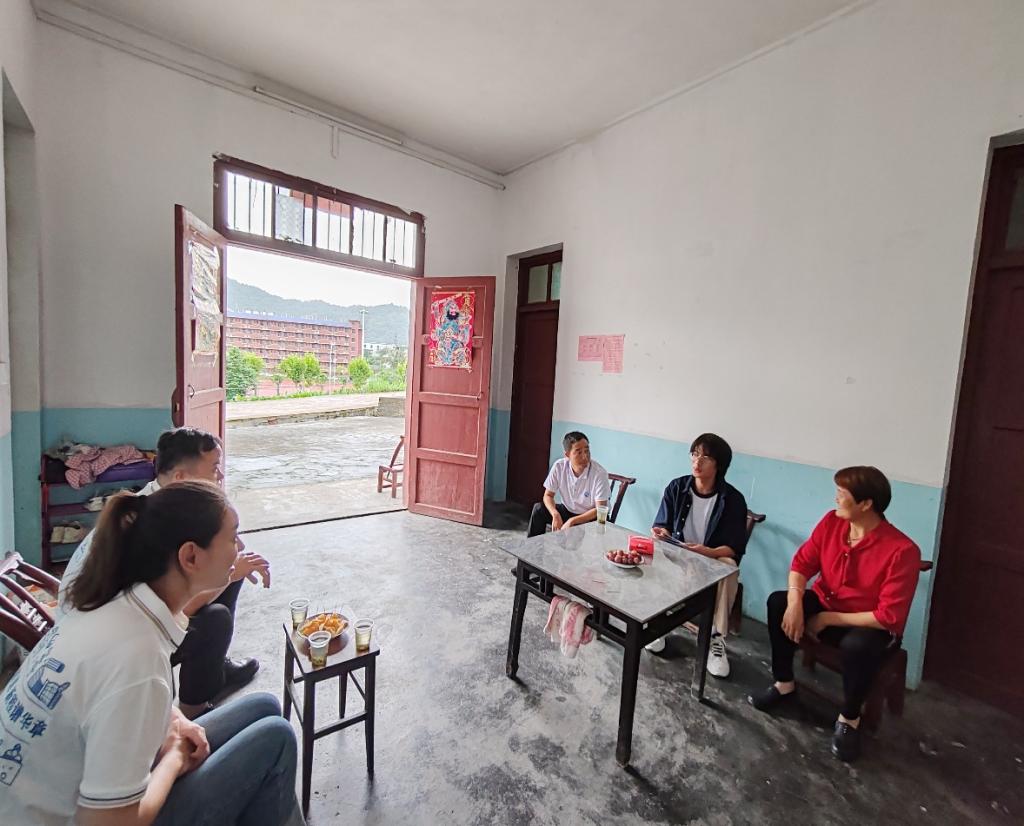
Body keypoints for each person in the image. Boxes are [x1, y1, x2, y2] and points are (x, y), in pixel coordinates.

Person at [0, 481, 300, 826]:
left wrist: (176, 721)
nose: (240, 548)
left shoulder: (112, 602)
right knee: (276, 739)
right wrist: (173, 759)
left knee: (264, 707)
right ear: (190, 556)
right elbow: (108, 822)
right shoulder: (137, 661)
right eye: (233, 538)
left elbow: (106, 701)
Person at [59, 427, 271, 718]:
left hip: (105, 626)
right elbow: (176, 610)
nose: (221, 476)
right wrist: (232, 570)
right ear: (181, 478)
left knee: (229, 570)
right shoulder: (151, 530)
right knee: (215, 615)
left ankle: (214, 666)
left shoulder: (161, 502)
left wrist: (229, 545)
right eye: (214, 469)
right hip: (109, 649)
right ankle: (194, 708)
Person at [749, 466, 921, 762]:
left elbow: (888, 616)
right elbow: (802, 564)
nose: (835, 499)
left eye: (842, 494)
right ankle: (784, 684)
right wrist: (795, 602)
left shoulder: (902, 550)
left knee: (858, 646)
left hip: (868, 624)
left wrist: (827, 619)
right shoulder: (832, 523)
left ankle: (849, 718)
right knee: (778, 603)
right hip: (825, 603)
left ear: (865, 504)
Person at [648, 433, 748, 677]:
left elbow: (734, 547)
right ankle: (657, 625)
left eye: (705, 457)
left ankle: (716, 638)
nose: (697, 461)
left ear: (719, 465)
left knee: (729, 566)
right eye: (694, 454)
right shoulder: (677, 487)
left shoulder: (732, 499)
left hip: (710, 560)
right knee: (653, 549)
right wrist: (662, 532)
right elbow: (662, 525)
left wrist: (709, 552)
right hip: (678, 553)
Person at [526, 431, 610, 538]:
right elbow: (548, 495)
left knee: (576, 536)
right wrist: (555, 514)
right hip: (568, 510)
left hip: (590, 516)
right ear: (567, 455)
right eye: (579, 452)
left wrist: (573, 521)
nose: (585, 456)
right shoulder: (559, 466)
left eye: (587, 450)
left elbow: (600, 509)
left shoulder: (599, 473)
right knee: (538, 509)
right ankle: (533, 546)